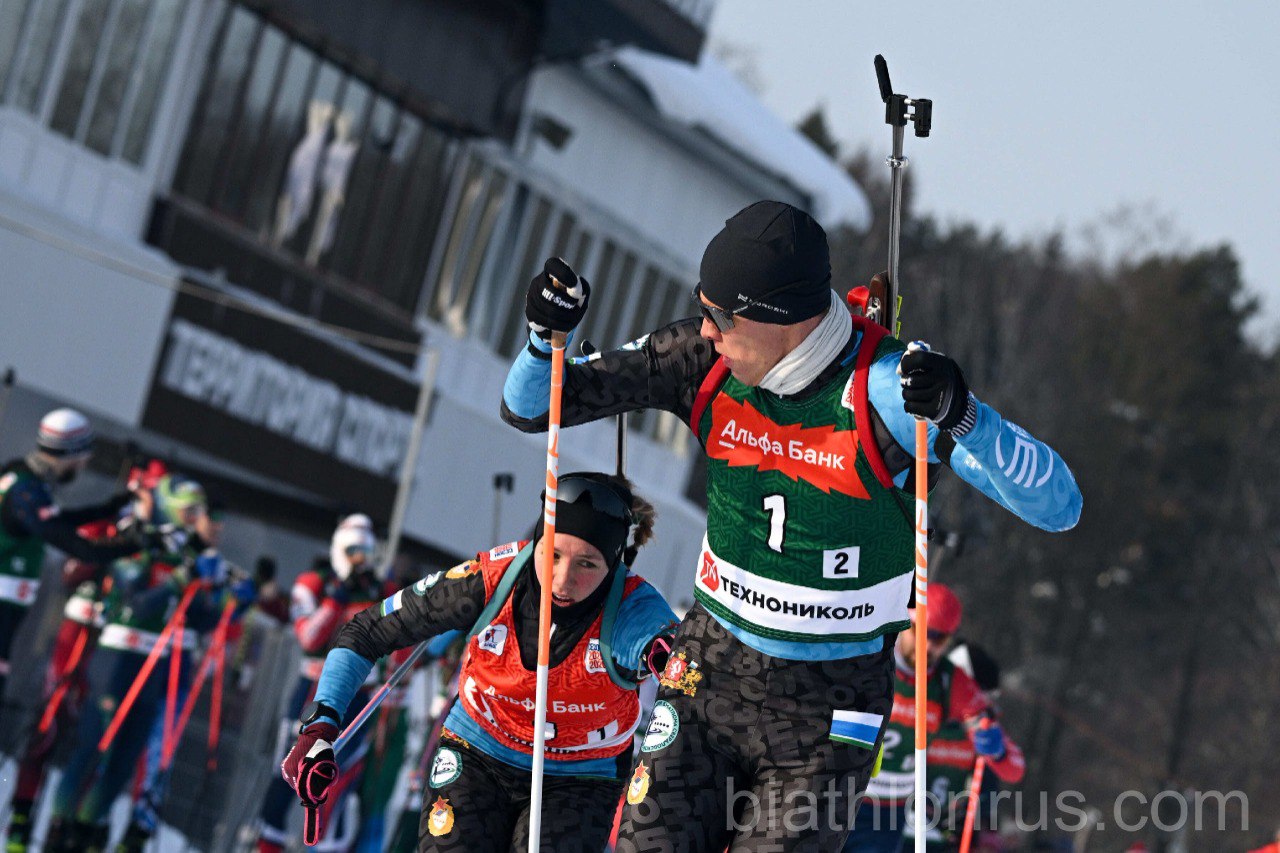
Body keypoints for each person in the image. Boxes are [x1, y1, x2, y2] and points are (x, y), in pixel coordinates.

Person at [501, 200, 1082, 850]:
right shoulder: (699, 357)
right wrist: (543, 338)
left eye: (724, 316)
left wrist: (963, 414)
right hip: (709, 675)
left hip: (825, 713)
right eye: (703, 308)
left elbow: (1060, 505)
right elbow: (532, 408)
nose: (708, 330)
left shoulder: (884, 389)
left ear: (785, 318)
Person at [279, 473, 679, 852]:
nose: (562, 580)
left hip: (578, 778)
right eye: (552, 554)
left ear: (614, 565)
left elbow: (685, 668)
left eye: (587, 564)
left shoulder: (634, 607)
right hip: (478, 754)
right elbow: (365, 630)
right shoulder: (491, 578)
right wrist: (320, 725)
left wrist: (673, 665)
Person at [43, 475, 231, 852]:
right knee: (95, 748)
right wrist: (178, 580)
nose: (196, 520)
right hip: (118, 659)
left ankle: (87, 830)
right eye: (189, 512)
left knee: (125, 761)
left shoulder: (185, 555)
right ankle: (59, 831)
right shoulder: (142, 542)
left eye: (199, 513)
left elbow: (199, 618)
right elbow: (134, 603)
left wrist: (223, 596)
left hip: (154, 665)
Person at [3, 458, 168, 852]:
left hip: (110, 648)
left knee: (96, 739)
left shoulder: (155, 539)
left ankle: (70, 826)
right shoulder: (104, 525)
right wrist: (111, 544)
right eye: (145, 491)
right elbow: (70, 570)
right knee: (49, 724)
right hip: (76, 636)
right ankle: (22, 817)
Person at [844, 584, 1023, 852]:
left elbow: (1014, 768)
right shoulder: (871, 655)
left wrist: (997, 750)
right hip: (838, 793)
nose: (926, 645)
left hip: (886, 816)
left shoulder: (950, 682)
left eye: (938, 639)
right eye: (919, 631)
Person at [255, 513, 387, 852]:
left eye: (366, 552)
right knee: (290, 775)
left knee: (335, 782)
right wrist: (336, 599)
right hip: (313, 694)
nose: (360, 560)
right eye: (353, 551)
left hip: (358, 696)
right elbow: (309, 638)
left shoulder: (378, 589)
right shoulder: (313, 582)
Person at [0, 409, 152, 698]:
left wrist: (110, 508)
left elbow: (58, 522)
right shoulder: (27, 492)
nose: (84, 464)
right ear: (69, 453)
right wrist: (137, 543)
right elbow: (81, 548)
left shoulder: (21, 479)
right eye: (83, 457)